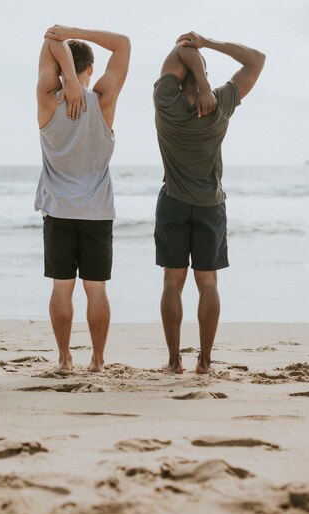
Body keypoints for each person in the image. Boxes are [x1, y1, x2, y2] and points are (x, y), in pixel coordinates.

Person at [153, 32, 265, 374]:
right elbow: (256, 59)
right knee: (208, 284)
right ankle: (204, 361)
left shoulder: (165, 100)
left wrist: (198, 75)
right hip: (209, 205)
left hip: (172, 200)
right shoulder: (221, 104)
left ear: (178, 77)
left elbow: (180, 49)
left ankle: (174, 361)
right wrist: (210, 45)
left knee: (173, 283)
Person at [35, 25, 130, 372]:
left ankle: (64, 360)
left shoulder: (48, 98)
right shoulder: (104, 100)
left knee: (62, 287)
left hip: (58, 210)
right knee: (96, 289)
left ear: (60, 69)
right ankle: (98, 360)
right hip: (97, 212)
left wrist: (68, 80)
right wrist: (75, 33)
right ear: (92, 69)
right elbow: (122, 43)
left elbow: (49, 40)